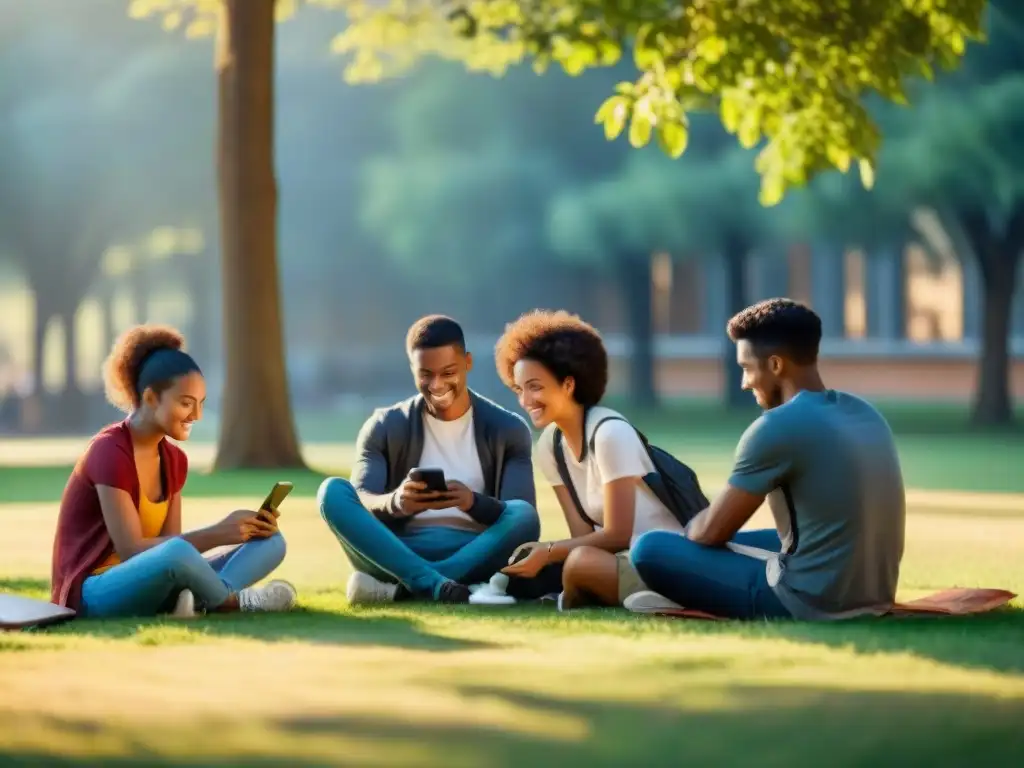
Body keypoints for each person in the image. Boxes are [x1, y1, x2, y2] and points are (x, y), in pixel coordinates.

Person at [629, 298, 906, 620]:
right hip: (875, 590)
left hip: (809, 600)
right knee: (756, 538)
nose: (745, 383)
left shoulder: (776, 426)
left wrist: (689, 534)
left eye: (747, 368)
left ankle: (664, 584)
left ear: (775, 365)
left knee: (651, 549)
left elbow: (711, 532)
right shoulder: (865, 412)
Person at [50, 325, 297, 619]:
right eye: (186, 403)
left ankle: (200, 598)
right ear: (151, 398)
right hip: (94, 592)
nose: (196, 416)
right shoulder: (109, 451)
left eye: (201, 404)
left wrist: (242, 531)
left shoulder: (174, 459)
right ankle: (233, 600)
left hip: (155, 579)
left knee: (271, 543)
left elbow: (171, 544)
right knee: (177, 554)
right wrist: (218, 533)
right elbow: (133, 551)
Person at [317, 315, 540, 605]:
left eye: (448, 372)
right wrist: (396, 502)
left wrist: (472, 502)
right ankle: (440, 584)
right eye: (426, 374)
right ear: (413, 369)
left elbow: (518, 513)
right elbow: (361, 499)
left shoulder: (508, 429)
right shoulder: (384, 425)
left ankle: (412, 586)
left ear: (467, 363)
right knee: (331, 491)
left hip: (473, 550)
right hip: (394, 550)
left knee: (524, 514)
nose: (437, 385)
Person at [493, 309, 687, 610]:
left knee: (578, 563)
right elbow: (582, 535)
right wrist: (547, 554)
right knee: (544, 566)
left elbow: (618, 535)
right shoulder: (550, 446)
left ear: (569, 384)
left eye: (535, 386)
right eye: (519, 389)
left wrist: (549, 552)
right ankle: (592, 593)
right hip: (615, 559)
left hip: (663, 560)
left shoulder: (610, 433)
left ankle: (650, 596)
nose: (525, 401)